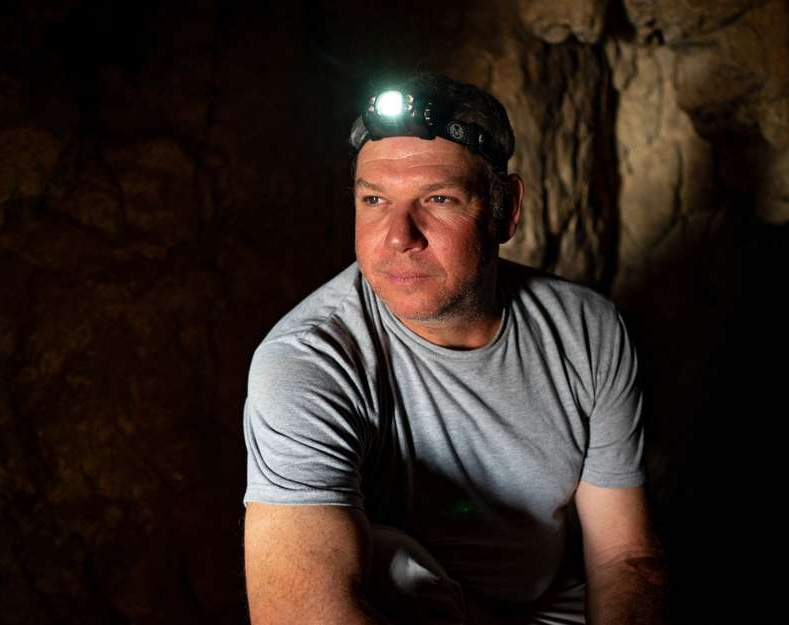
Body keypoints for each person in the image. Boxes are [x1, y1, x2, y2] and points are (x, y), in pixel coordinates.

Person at [242, 73, 667, 625]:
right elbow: (297, 613)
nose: (399, 236)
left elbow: (623, 556)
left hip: (550, 610)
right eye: (374, 199)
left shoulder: (588, 332)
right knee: (385, 561)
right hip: (414, 611)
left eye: (438, 198)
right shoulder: (308, 361)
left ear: (505, 209)